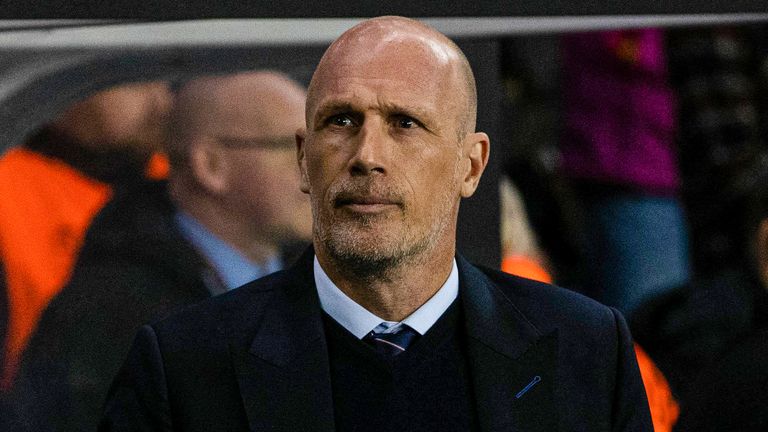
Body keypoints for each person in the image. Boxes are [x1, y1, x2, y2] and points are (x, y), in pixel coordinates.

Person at [101, 17, 652, 431]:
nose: (367, 154)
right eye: (341, 121)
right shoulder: (182, 369)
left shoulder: (586, 351)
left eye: (404, 123)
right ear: (303, 157)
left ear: (471, 164)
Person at [4, 71, 312, 431]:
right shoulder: (109, 316)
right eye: (288, 147)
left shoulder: (330, 283)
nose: (316, 169)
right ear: (211, 166)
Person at [0, 81, 173, 390]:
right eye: (132, 83)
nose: (161, 101)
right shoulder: (9, 190)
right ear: (57, 95)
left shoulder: (185, 181)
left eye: (161, 81)